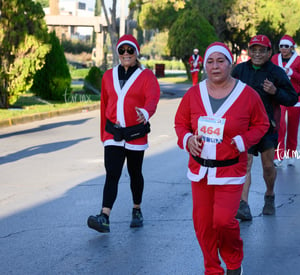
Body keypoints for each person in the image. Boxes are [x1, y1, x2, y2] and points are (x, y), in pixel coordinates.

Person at [175, 42, 269, 275]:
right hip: (200, 171)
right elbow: (180, 124)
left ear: (230, 64)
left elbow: (262, 124)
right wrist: (187, 139)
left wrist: (244, 141)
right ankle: (213, 269)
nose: (215, 66)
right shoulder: (193, 94)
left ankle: (234, 261)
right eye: (210, 61)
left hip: (230, 171)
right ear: (204, 65)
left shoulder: (247, 94)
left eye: (220, 61)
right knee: (204, 225)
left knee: (224, 221)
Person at [87, 34, 160, 233]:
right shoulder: (108, 76)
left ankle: (136, 209)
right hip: (113, 134)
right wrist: (104, 134)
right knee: (112, 173)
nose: (126, 54)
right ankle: (104, 216)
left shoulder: (146, 76)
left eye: (130, 50)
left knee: (135, 173)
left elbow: (153, 97)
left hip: (136, 134)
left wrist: (146, 112)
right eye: (122, 50)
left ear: (136, 52)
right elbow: (104, 106)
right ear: (118, 53)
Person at [231, 35, 298, 221]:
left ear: (270, 52)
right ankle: (243, 204)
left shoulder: (276, 72)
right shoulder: (240, 70)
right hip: (245, 127)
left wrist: (275, 92)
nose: (258, 54)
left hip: (268, 126)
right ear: (249, 51)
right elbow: (226, 90)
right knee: (245, 165)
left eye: (262, 50)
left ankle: (269, 194)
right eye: (254, 50)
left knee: (268, 166)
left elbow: (292, 98)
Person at [271, 35, 300, 167]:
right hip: (280, 97)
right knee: (280, 127)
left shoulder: (298, 60)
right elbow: (270, 72)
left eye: (286, 46)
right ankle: (278, 155)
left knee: (293, 127)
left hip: (295, 98)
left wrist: (292, 73)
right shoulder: (275, 58)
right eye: (281, 46)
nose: (283, 49)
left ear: (291, 47)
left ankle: (291, 154)